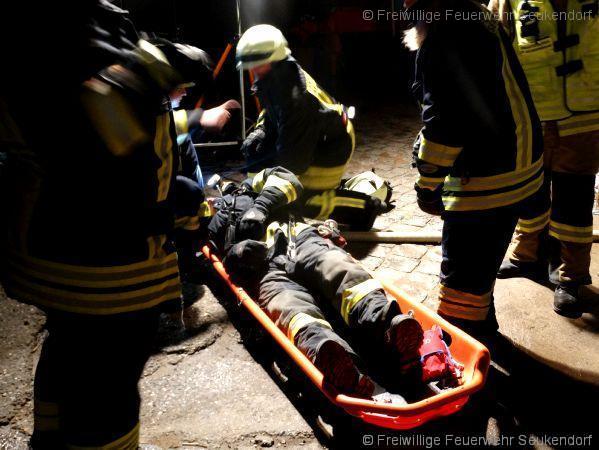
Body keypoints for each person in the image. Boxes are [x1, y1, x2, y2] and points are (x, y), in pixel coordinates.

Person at [0, 2, 196, 447]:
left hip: (51, 254)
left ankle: (50, 441)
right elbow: (117, 153)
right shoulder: (96, 44)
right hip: (112, 271)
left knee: (66, 355)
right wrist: (181, 206)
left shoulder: (35, 37)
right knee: (108, 395)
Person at [207, 167, 424, 397]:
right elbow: (222, 263)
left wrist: (260, 207)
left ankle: (389, 325)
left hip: (299, 241)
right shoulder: (215, 224)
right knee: (289, 307)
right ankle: (332, 357)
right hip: (264, 270)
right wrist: (237, 255)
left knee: (340, 269)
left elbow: (288, 178)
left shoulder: (254, 185)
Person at [405, 0, 544, 338]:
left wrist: (427, 185)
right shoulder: (477, 16)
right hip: (518, 166)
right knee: (482, 267)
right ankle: (484, 325)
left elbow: (444, 125)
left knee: (461, 290)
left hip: (487, 179)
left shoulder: (444, 35)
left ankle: (469, 350)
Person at [489, 0, 599, 318]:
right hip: (532, 116)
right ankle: (528, 256)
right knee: (530, 193)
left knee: (574, 200)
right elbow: (494, 46)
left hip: (586, 118)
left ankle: (570, 276)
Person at [236, 25, 389, 230]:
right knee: (278, 179)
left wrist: (266, 202)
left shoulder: (297, 99)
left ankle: (365, 208)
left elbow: (291, 165)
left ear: (275, 58)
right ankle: (354, 185)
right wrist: (261, 130)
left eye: (256, 64)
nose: (252, 70)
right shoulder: (275, 76)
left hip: (332, 145)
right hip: (314, 135)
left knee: (303, 199)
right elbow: (272, 111)